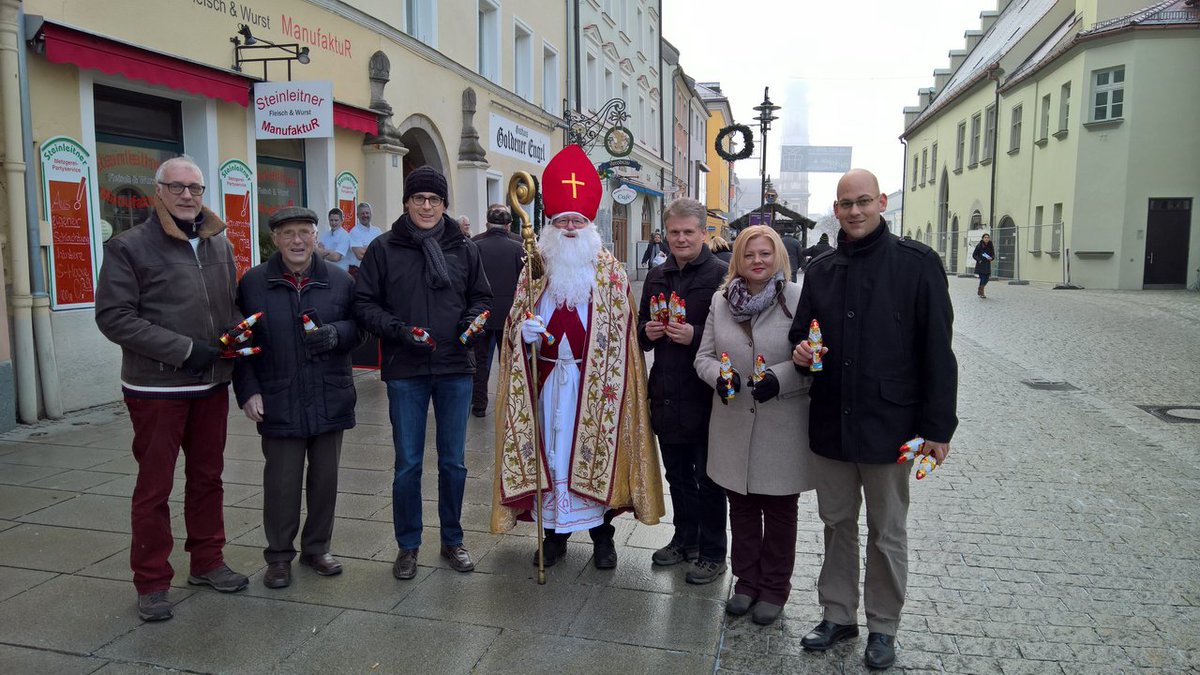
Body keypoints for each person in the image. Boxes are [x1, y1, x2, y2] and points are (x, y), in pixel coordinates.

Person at [788, 169, 957, 670]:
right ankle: (838, 614)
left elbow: (938, 350)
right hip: (832, 422)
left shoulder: (917, 264)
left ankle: (884, 625)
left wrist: (938, 429)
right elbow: (803, 336)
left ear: (881, 202)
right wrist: (803, 353)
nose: (855, 211)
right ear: (835, 210)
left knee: (887, 531)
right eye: (846, 204)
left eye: (863, 201)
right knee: (837, 524)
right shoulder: (821, 269)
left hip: (892, 425)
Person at [491, 144, 665, 570]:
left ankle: (603, 538)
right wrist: (522, 334)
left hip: (596, 388)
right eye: (562, 220)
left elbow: (624, 335)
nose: (570, 227)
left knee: (594, 458)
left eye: (577, 220)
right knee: (552, 458)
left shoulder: (611, 273)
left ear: (590, 225)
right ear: (550, 225)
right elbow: (514, 323)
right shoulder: (534, 269)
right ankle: (554, 538)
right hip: (549, 386)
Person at [95, 155, 249, 622]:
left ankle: (207, 561)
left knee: (208, 479)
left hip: (211, 383)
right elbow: (114, 317)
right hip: (157, 388)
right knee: (154, 487)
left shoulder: (219, 242)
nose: (187, 195)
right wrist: (184, 350)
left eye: (195, 188)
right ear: (158, 190)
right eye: (177, 186)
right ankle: (151, 581)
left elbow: (227, 304)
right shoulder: (129, 247)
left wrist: (237, 331)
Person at [353, 166, 492, 580]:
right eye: (419, 198)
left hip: (454, 366)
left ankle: (453, 539)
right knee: (408, 464)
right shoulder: (384, 248)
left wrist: (471, 323)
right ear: (407, 203)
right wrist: (398, 331)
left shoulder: (464, 248)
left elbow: (482, 298)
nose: (427, 206)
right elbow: (364, 304)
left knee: (453, 463)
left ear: (444, 204)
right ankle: (408, 545)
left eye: (434, 199)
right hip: (405, 368)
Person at [233, 207, 360, 589]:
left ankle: (317, 548)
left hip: (329, 393)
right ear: (275, 239)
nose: (297, 241)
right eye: (288, 233)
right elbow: (240, 341)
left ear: (316, 236)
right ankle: (278, 556)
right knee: (281, 483)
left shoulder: (340, 281)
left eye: (304, 232)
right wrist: (248, 391)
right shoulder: (254, 283)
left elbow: (361, 329)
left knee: (325, 480)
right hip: (278, 395)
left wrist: (336, 333)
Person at [695, 224, 813, 626]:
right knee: (742, 509)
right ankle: (746, 582)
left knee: (779, 511)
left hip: (782, 424)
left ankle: (775, 588)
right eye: (749, 254)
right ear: (737, 260)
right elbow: (704, 357)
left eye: (765, 253)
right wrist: (719, 376)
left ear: (778, 256)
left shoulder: (797, 298)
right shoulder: (720, 301)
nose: (757, 261)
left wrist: (783, 377)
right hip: (732, 422)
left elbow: (815, 357)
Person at [637, 197, 728, 585]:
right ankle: (684, 538)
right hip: (666, 390)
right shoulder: (657, 276)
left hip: (705, 394)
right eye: (674, 232)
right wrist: (647, 332)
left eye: (689, 232)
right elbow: (640, 330)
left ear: (703, 233)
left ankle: (712, 552)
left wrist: (695, 335)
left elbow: (734, 339)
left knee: (709, 479)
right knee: (677, 476)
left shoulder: (722, 275)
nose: (681, 239)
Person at [470, 204, 525, 417]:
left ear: (487, 223)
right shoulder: (518, 247)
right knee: (508, 360)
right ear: (508, 225)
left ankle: (479, 405)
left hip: (481, 312)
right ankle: (509, 403)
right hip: (509, 313)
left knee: (480, 361)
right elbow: (524, 283)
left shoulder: (475, 245)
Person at [348, 202, 382, 275]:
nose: (365, 215)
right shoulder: (354, 232)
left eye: (367, 213)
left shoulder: (377, 231)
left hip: (375, 271)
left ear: (371, 214)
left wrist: (365, 247)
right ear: (357, 215)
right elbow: (360, 255)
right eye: (362, 213)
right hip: (359, 272)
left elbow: (382, 251)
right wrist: (375, 248)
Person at [317, 207, 352, 273]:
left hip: (340, 273)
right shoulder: (325, 234)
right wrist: (330, 252)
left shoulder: (345, 236)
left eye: (336, 220)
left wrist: (322, 252)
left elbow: (336, 257)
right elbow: (318, 254)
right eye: (331, 220)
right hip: (326, 271)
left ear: (342, 220)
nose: (333, 223)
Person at [972, 233, 995, 298]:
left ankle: (980, 289)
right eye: (985, 237)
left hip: (987, 264)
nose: (986, 239)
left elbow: (993, 254)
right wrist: (979, 260)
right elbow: (974, 255)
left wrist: (992, 258)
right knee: (982, 278)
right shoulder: (979, 245)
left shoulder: (990, 245)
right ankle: (982, 293)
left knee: (987, 279)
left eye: (988, 237)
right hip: (981, 264)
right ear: (982, 238)